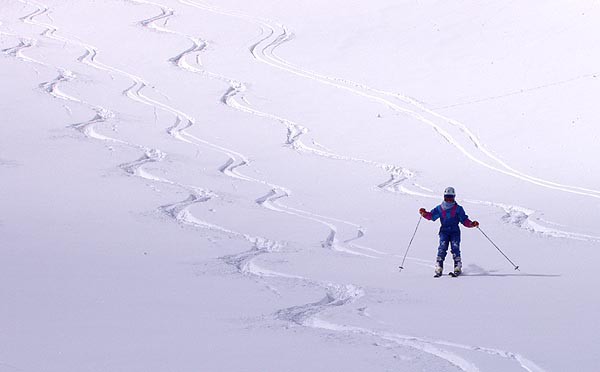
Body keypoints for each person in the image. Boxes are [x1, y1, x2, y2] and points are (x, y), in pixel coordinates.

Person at [419, 187, 479, 277]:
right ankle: (439, 265)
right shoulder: (440, 208)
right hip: (444, 231)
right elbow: (432, 216)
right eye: (447, 197)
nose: (449, 200)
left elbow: (464, 220)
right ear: (444, 197)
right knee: (442, 247)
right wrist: (424, 214)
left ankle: (457, 265)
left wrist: (471, 224)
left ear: (454, 197)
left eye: (451, 198)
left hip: (455, 231)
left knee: (455, 247)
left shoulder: (458, 209)